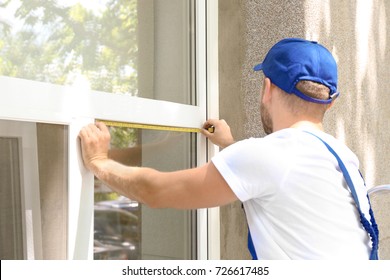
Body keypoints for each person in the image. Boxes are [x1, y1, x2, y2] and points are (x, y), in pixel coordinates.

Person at [79, 38, 377, 259]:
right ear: (331, 101)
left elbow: (155, 191)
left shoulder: (269, 157)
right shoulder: (343, 159)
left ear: (268, 88)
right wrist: (229, 146)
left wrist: (99, 161)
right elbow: (278, 183)